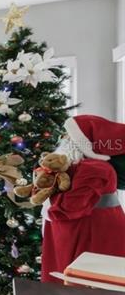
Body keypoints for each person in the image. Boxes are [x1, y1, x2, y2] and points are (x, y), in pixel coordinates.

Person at [41, 115, 125, 281]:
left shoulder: (96, 168)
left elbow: (72, 206)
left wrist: (48, 207)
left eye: (67, 136)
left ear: (83, 143)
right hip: (78, 230)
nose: (62, 140)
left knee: (88, 286)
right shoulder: (73, 165)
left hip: (93, 232)